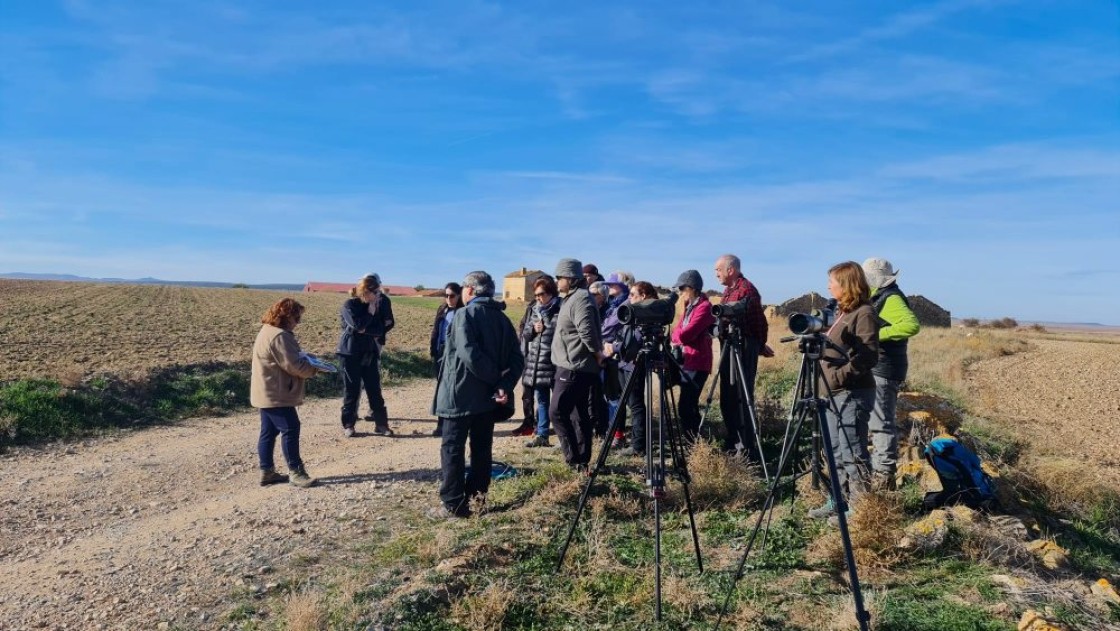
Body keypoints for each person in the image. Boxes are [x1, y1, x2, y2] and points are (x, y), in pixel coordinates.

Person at [431, 271, 524, 518]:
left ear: (470, 290)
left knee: (452, 448)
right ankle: (477, 500)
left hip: (459, 396)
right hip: (488, 400)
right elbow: (517, 359)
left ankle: (454, 505)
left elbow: (469, 355)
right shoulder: (503, 320)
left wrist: (496, 380)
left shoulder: (464, 315)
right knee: (482, 449)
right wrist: (503, 384)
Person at [809, 261, 880, 520]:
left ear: (847, 284)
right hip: (831, 393)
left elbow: (868, 356)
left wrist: (839, 375)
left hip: (852, 391)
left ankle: (860, 509)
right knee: (834, 450)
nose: (829, 286)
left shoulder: (864, 313)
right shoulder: (840, 312)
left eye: (833, 281)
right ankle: (838, 500)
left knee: (853, 450)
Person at [250, 298, 323, 488]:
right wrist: (315, 368)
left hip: (266, 391)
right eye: (296, 317)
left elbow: (288, 358)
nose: (298, 322)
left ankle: (267, 472)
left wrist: (307, 359)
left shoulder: (267, 330)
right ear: (285, 316)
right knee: (291, 428)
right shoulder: (280, 336)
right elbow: (294, 365)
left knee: (269, 431)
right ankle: (296, 472)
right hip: (277, 392)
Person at [862, 257, 920, 490]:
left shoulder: (891, 297)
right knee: (876, 421)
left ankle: (884, 478)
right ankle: (879, 471)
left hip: (884, 369)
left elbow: (911, 325)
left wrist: (875, 336)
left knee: (881, 423)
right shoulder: (880, 295)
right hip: (880, 367)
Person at [713, 254, 772, 457]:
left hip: (744, 346)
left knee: (741, 395)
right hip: (728, 345)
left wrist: (758, 345)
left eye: (718, 269)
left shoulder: (746, 289)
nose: (716, 274)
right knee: (728, 395)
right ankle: (732, 439)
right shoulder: (729, 290)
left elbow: (758, 322)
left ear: (731, 270)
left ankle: (746, 446)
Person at [550, 258, 605, 472]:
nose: (557, 282)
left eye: (559, 278)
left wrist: (597, 353)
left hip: (575, 366)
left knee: (557, 412)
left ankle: (574, 460)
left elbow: (587, 332)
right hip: (572, 365)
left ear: (570, 278)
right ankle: (581, 460)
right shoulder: (572, 298)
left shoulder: (580, 299)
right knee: (577, 413)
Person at [336, 273, 395, 437]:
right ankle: (348, 424)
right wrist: (369, 313)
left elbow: (380, 329)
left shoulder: (376, 306)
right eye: (376, 293)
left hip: (369, 352)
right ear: (366, 292)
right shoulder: (350, 305)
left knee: (374, 389)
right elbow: (357, 325)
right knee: (352, 390)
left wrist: (365, 328)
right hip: (350, 353)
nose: (378, 296)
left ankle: (382, 424)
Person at [612, 281, 657, 457]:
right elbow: (623, 333)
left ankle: (638, 446)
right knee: (628, 402)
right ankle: (635, 442)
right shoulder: (635, 312)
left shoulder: (648, 314)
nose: (629, 298)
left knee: (636, 404)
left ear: (643, 296)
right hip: (624, 363)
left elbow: (637, 339)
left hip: (635, 363)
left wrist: (615, 347)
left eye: (632, 294)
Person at [670, 270, 716, 442]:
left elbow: (685, 335)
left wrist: (679, 336)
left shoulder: (704, 308)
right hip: (688, 360)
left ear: (692, 288)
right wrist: (678, 335)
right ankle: (696, 442)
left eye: (682, 288)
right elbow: (677, 331)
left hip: (698, 361)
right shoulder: (691, 307)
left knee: (686, 406)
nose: (681, 293)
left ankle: (692, 443)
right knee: (689, 404)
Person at [521, 277, 561, 448]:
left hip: (556, 363)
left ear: (551, 292)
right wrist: (533, 330)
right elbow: (525, 335)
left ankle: (563, 437)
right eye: (536, 295)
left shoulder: (561, 309)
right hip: (538, 362)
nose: (538, 298)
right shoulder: (534, 310)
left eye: (541, 294)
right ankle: (542, 435)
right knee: (542, 400)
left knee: (559, 404)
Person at [428, 282, 463, 437]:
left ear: (459, 295)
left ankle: (445, 424)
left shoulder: (463, 312)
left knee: (449, 390)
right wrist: (433, 349)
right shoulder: (442, 309)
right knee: (441, 388)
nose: (448, 298)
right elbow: (436, 330)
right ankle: (443, 423)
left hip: (454, 354)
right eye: (446, 295)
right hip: (440, 352)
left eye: (452, 295)